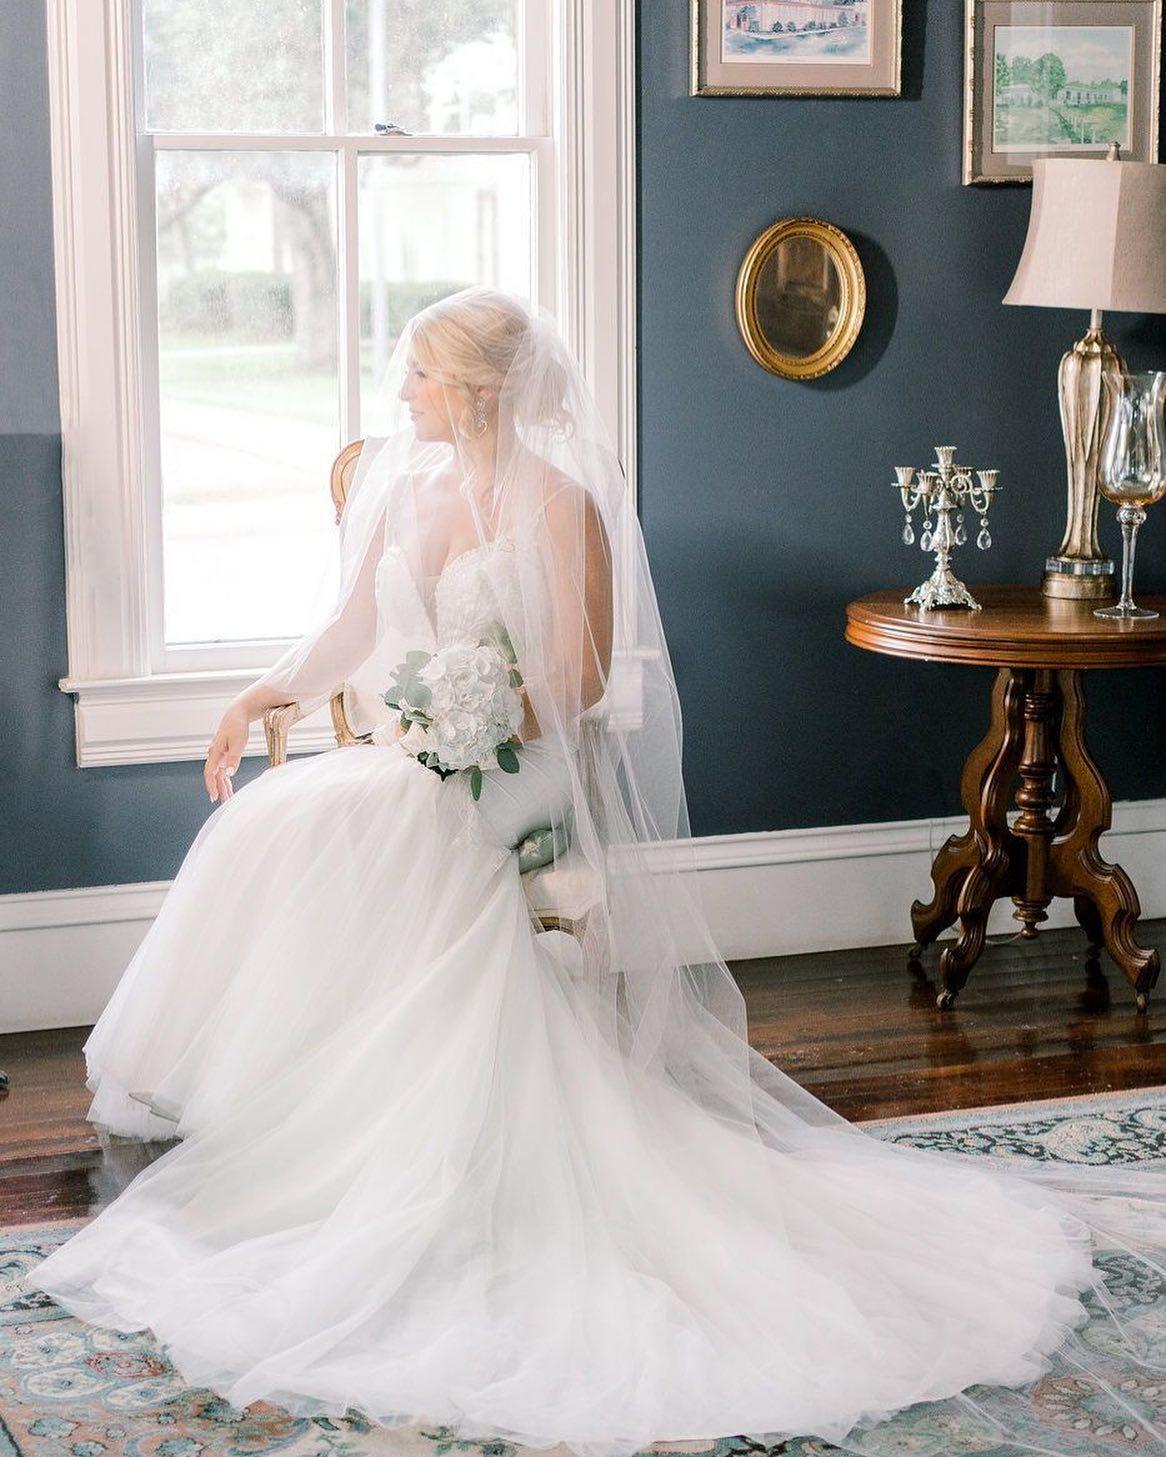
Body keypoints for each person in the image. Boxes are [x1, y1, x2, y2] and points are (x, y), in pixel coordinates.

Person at [25, 286, 1166, 1457]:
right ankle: (305, 1111)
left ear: (476, 391)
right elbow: (351, 630)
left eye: (419, 375)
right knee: (283, 823)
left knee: (385, 829)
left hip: (519, 761)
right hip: (427, 750)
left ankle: (401, 1133)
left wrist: (475, 726)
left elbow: (575, 679)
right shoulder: (405, 491)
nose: (402, 394)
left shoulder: (561, 503)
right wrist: (259, 693)